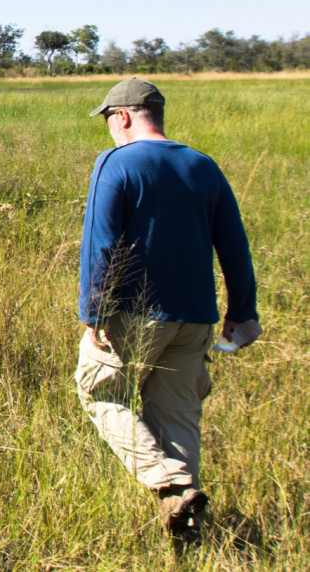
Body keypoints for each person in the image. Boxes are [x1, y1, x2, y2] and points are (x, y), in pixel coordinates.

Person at [75, 78, 259, 540]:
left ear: (123, 116)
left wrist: (94, 310)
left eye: (108, 121)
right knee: (177, 415)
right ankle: (187, 520)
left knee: (99, 392)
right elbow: (234, 245)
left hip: (134, 313)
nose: (109, 131)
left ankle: (167, 482)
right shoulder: (204, 166)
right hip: (196, 314)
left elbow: (100, 243)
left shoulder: (116, 163)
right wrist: (243, 309)